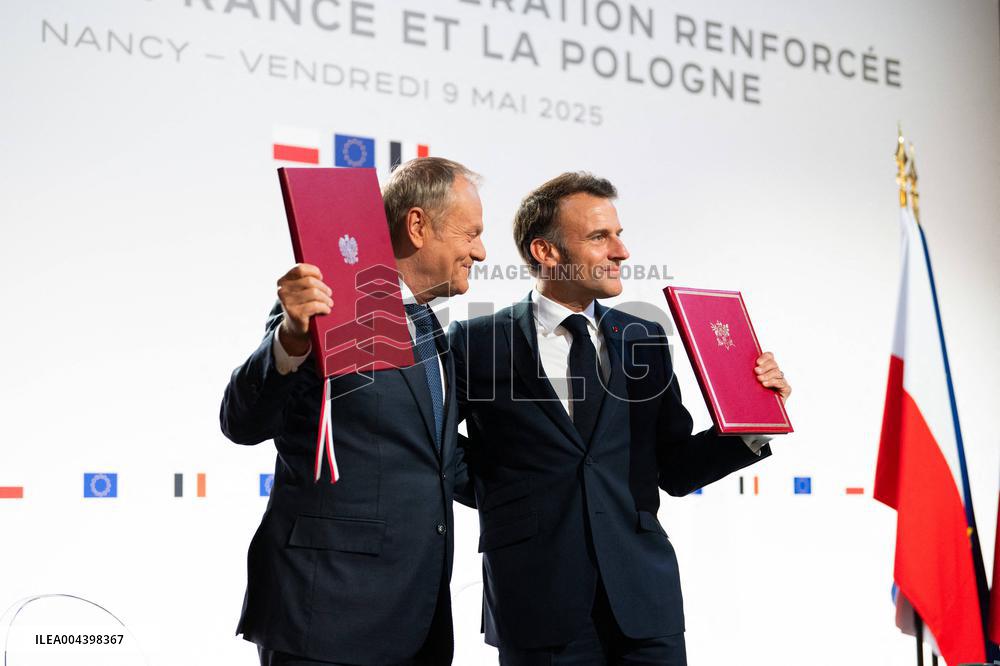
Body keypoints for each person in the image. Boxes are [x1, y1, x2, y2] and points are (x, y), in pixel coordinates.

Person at [449, 172, 792, 665]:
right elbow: (441, 449)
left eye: (619, 234)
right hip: (535, 601)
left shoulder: (644, 338)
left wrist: (754, 424)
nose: (621, 251)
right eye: (599, 237)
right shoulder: (476, 342)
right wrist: (503, 493)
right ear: (545, 252)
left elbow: (673, 468)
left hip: (644, 604)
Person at [220, 157, 486, 665]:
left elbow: (439, 463)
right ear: (417, 225)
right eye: (470, 233)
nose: (480, 250)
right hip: (328, 616)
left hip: (417, 622)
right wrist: (289, 340)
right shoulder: (327, 306)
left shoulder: (433, 331)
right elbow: (242, 421)